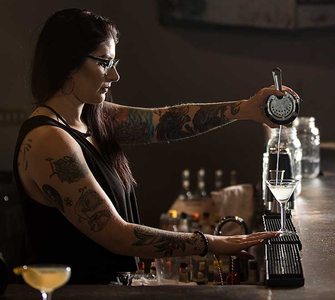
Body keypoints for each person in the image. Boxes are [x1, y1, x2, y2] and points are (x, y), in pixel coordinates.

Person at [13, 8, 299, 284]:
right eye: (103, 62)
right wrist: (211, 243)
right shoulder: (49, 141)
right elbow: (117, 235)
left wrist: (246, 109)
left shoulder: (90, 116)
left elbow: (163, 123)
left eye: (114, 64)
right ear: (67, 62)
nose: (114, 76)